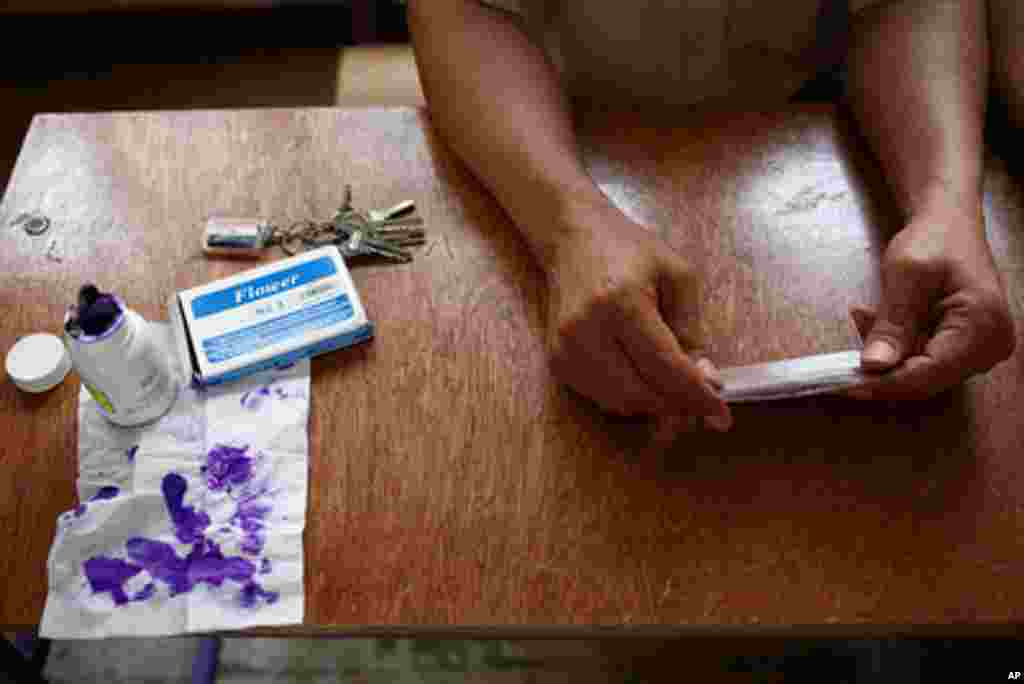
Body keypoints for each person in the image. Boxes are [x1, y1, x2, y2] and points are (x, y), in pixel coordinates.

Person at [408, 0, 1018, 431]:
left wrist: (946, 205)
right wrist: (568, 226)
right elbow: (463, 11)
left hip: (828, 139)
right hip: (545, 129)